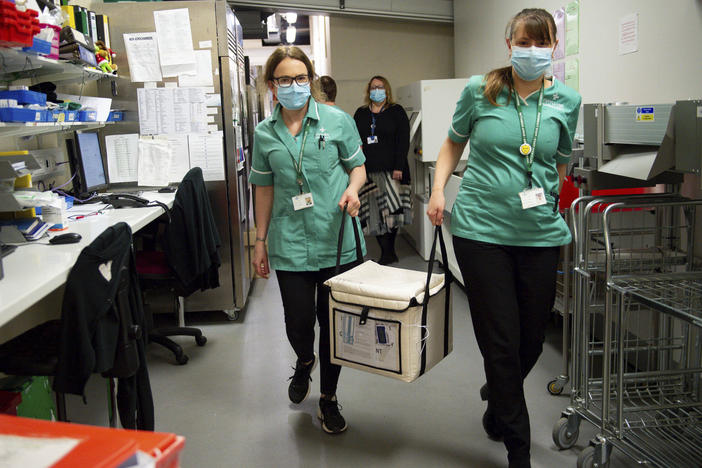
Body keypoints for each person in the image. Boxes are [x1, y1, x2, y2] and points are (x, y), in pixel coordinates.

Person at [426, 8, 581, 468]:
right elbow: (452, 142)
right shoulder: (481, 90)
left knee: (530, 340)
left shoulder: (566, 101)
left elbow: (561, 160)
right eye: (523, 42)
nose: (532, 51)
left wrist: (550, 193)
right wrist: (438, 189)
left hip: (539, 235)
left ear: (553, 47)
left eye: (541, 43)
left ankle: (498, 397)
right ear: (508, 44)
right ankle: (518, 448)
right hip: (481, 230)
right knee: (500, 338)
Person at [249, 46, 367, 434]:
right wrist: (260, 240)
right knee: (299, 322)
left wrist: (352, 190)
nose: (295, 86)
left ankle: (329, 399)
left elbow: (358, 170)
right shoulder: (265, 134)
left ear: (311, 80)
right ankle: (304, 361)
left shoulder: (337, 121)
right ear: (272, 86)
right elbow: (263, 189)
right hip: (290, 243)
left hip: (336, 240)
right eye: (285, 80)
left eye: (301, 78)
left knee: (334, 326)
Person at [353, 76, 411, 265]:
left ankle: (389, 251)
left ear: (387, 90)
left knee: (392, 213)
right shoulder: (361, 114)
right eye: (373, 87)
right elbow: (354, 139)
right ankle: (386, 252)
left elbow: (403, 140)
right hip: (368, 172)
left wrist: (399, 166)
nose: (376, 90)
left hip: (392, 171)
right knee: (374, 215)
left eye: (380, 87)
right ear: (368, 90)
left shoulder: (396, 111)